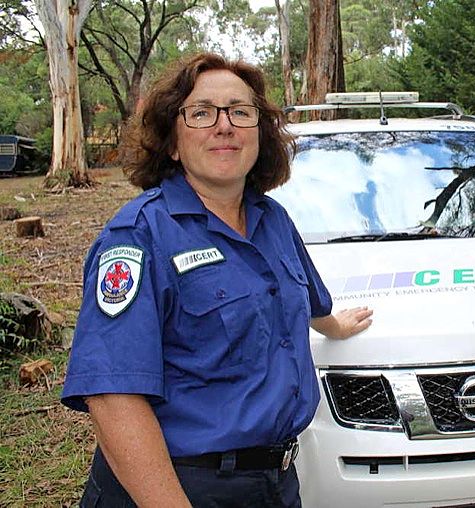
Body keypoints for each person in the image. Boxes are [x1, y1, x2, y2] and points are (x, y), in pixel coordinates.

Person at [61, 52, 373, 507]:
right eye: (202, 112)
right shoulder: (138, 238)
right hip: (180, 486)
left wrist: (335, 326)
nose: (224, 125)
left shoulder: (273, 221)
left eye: (240, 112)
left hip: (274, 484)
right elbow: (114, 399)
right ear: (172, 142)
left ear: (259, 135)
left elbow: (304, 297)